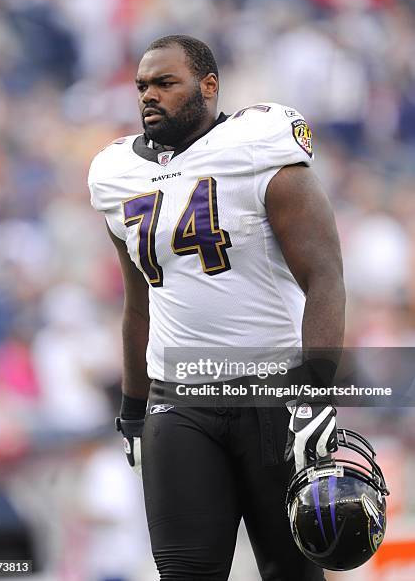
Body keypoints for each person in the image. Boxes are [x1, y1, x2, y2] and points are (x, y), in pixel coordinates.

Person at [88, 35, 345, 581]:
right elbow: (139, 307)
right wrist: (133, 411)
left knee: (291, 571)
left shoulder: (260, 142)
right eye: (141, 86)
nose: (148, 96)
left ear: (209, 85)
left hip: (270, 396)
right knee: (185, 572)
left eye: (164, 83)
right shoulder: (115, 175)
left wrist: (316, 391)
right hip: (177, 400)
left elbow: (324, 276)